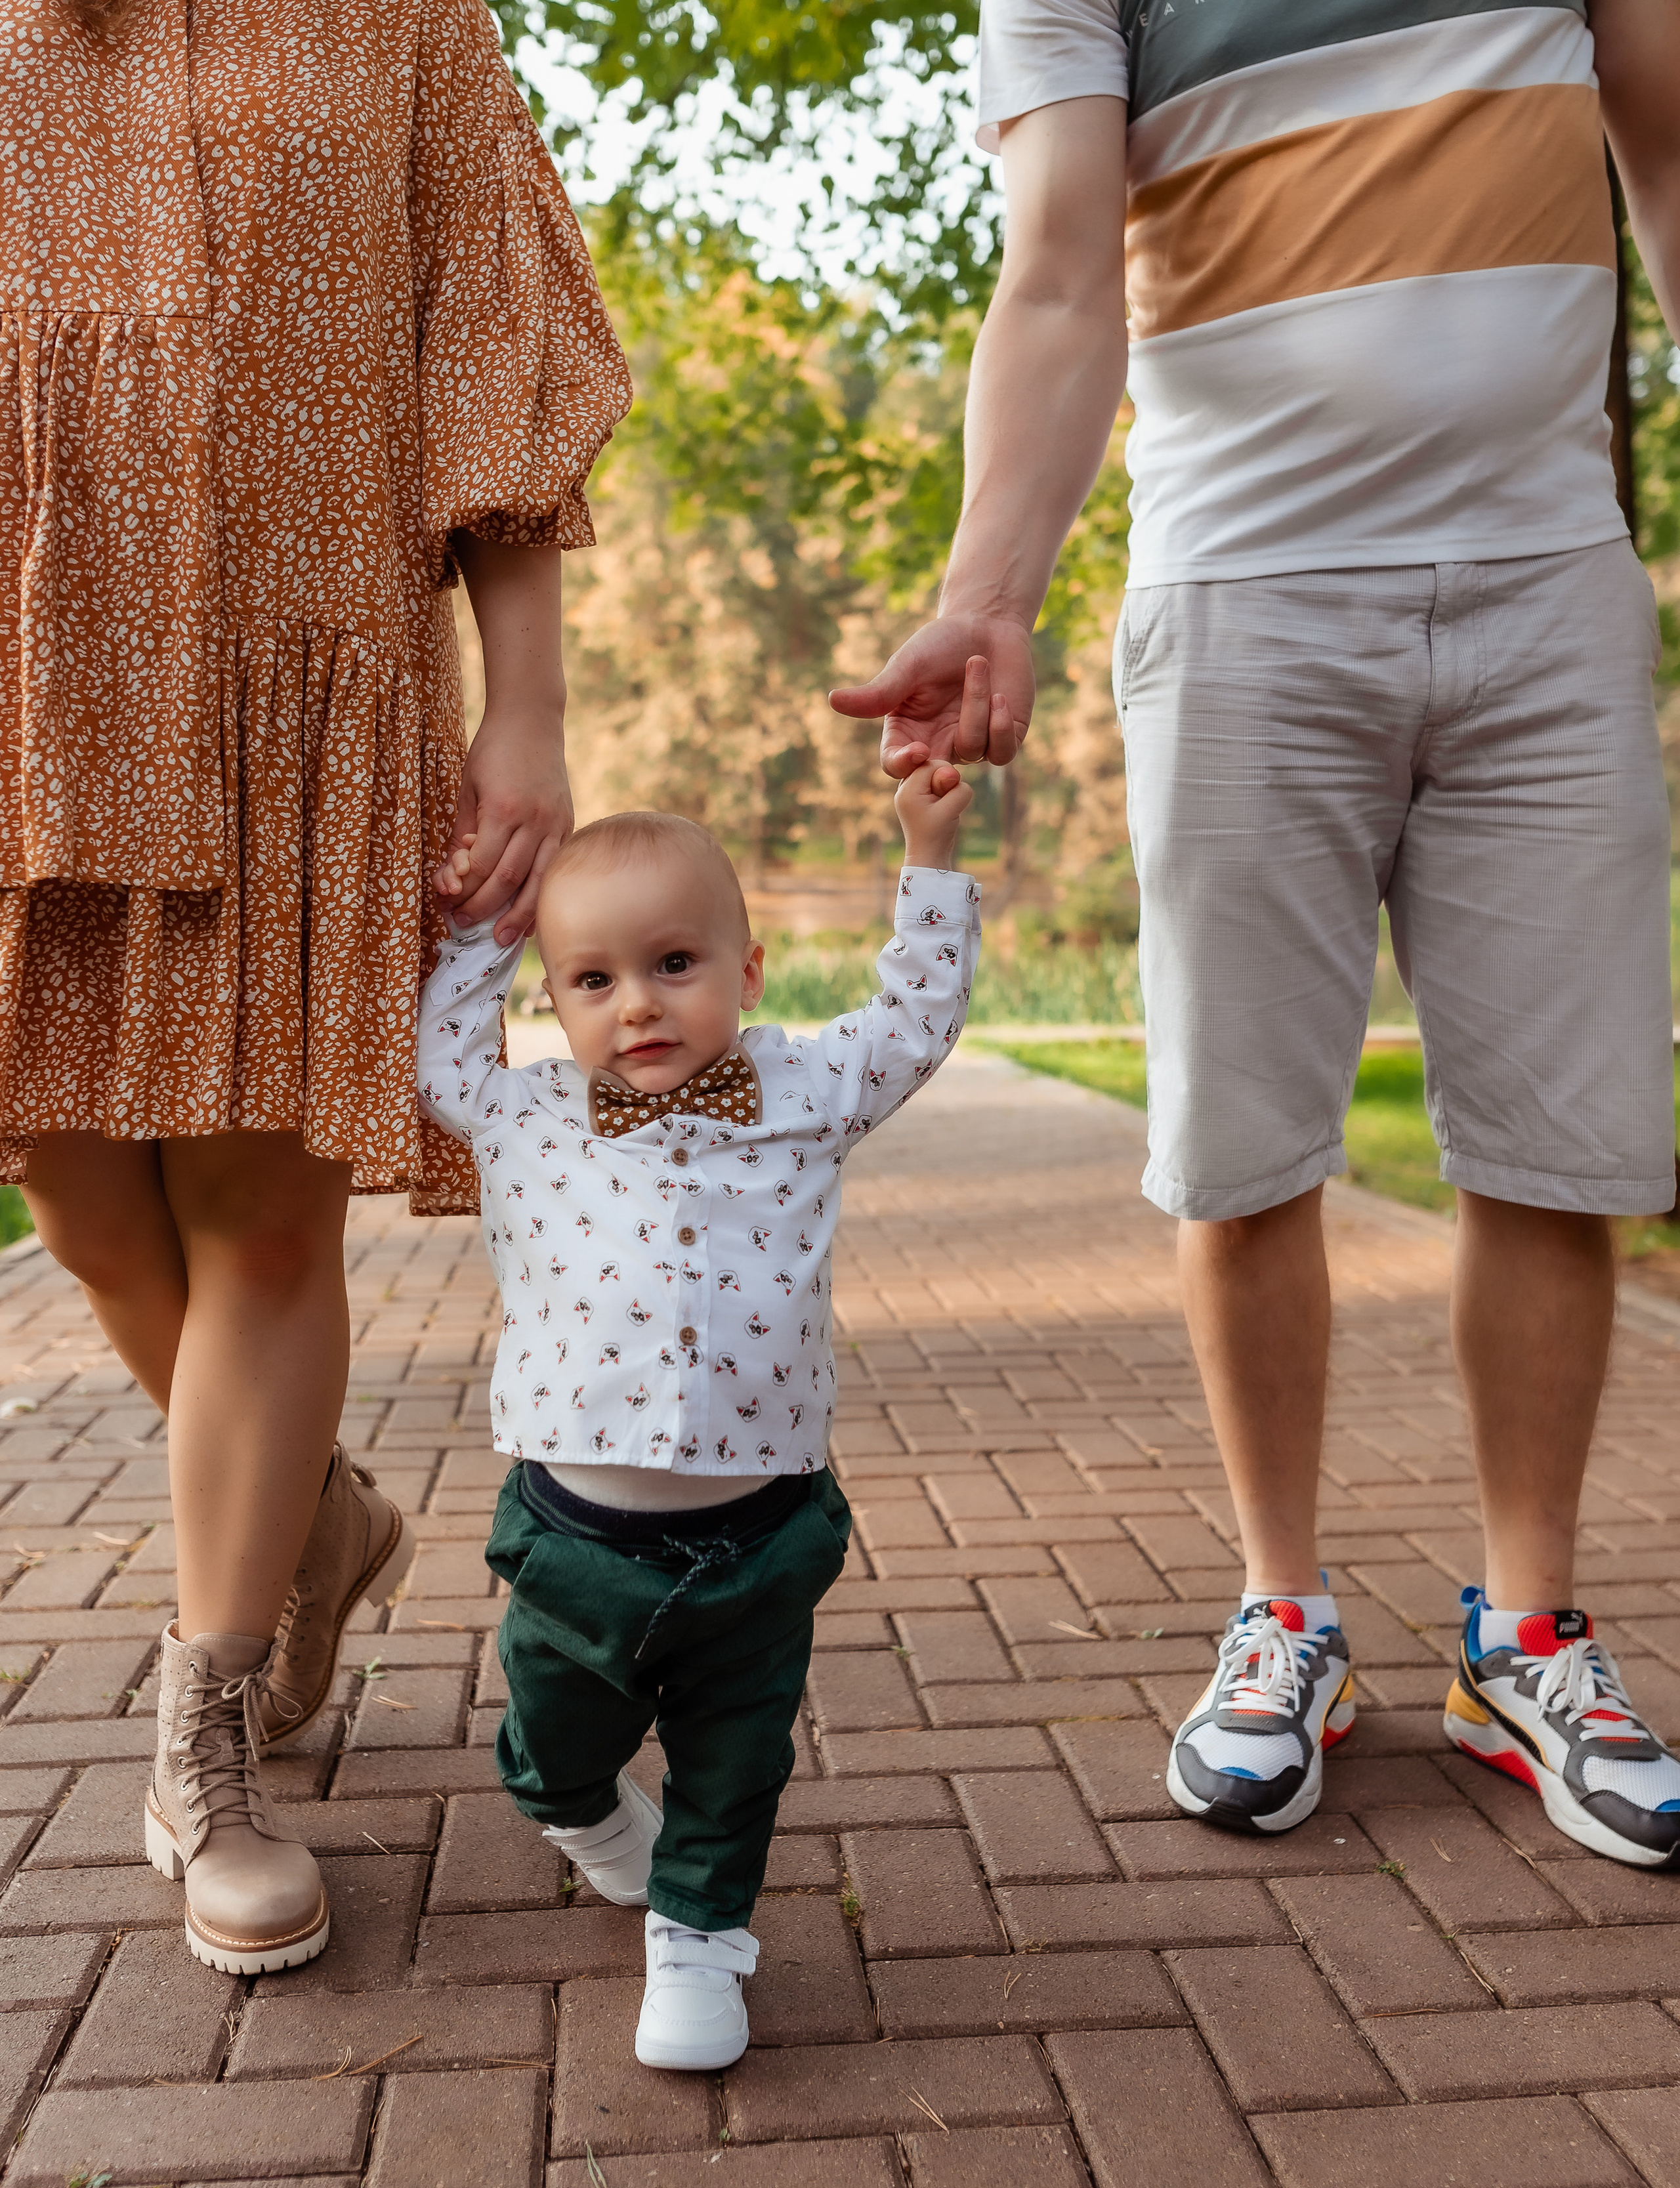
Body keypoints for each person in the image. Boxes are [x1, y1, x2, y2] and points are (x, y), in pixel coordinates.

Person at [831, 0, 1680, 1866]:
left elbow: (1670, 146)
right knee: (1242, 1149)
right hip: (1245, 599)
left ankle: (1526, 1635)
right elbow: (1061, 279)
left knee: (1565, 1145)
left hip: (1549, 580)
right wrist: (992, 588)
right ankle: (1281, 1614)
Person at [3, 0, 631, 1971]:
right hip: (31, 686)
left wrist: (525, 714)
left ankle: (211, 1721)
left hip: (309, 672)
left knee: (260, 1209)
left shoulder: (404, 22)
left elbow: (492, 356)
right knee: (79, 1189)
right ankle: (321, 1516)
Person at [419, 763, 980, 2066]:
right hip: (572, 1541)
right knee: (548, 1754)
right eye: (592, 980)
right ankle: (597, 1823)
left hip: (757, 1535)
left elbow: (912, 1021)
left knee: (734, 1765)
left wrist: (930, 850)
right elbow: (439, 1053)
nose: (638, 1005)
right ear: (549, 994)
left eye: (674, 963)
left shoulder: (799, 1090)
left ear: (749, 968)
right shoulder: (522, 1114)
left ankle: (700, 1939)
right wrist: (477, 934)